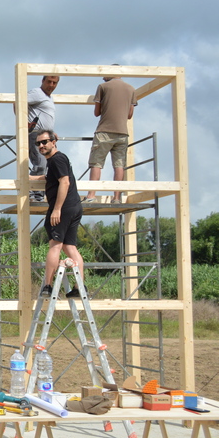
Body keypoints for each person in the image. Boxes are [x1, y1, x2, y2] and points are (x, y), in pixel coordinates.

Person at [30, 130, 86, 298]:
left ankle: (47, 287)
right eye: (38, 143)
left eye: (44, 142)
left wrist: (57, 209)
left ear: (54, 142)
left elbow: (64, 182)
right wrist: (33, 179)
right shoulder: (55, 161)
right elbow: (53, 178)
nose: (41, 146)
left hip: (64, 208)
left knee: (55, 245)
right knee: (70, 247)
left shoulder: (57, 159)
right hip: (74, 206)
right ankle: (79, 287)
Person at [84, 73, 138, 203]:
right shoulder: (131, 89)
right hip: (122, 133)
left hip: (104, 131)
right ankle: (117, 198)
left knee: (96, 163)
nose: (103, 78)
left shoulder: (103, 86)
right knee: (119, 165)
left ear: (110, 73)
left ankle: (91, 196)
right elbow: (129, 115)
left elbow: (97, 112)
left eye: (104, 75)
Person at [25, 76, 59, 201]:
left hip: (46, 135)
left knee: (50, 164)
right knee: (40, 163)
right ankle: (32, 194)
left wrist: (51, 132)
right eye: (49, 82)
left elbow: (45, 117)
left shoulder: (49, 97)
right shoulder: (37, 93)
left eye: (54, 83)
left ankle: (39, 194)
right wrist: (23, 122)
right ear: (42, 81)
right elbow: (17, 102)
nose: (51, 85)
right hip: (36, 134)